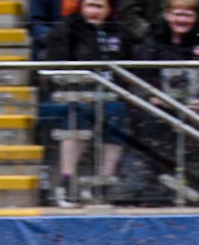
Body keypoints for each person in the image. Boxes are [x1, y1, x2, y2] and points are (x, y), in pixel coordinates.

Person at [38, 0, 132, 207]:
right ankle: (66, 183)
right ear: (81, 7)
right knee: (78, 113)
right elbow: (56, 69)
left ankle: (103, 184)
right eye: (90, 5)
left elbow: (129, 71)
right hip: (68, 95)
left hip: (108, 96)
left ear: (109, 9)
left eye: (99, 6)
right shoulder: (66, 30)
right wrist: (78, 91)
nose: (94, 11)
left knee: (116, 111)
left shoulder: (120, 33)